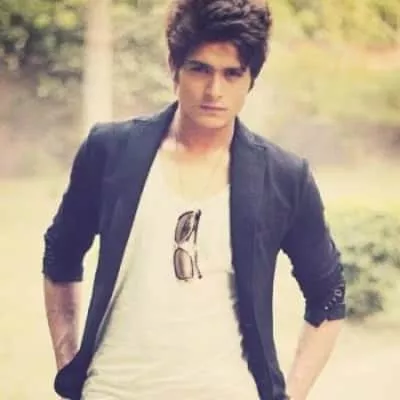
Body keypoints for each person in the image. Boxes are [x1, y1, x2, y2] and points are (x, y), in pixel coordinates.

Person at [43, 1, 346, 399]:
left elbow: (329, 294)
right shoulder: (111, 150)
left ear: (251, 79)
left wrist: (292, 393)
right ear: (174, 67)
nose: (214, 90)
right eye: (200, 69)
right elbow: (61, 254)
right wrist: (68, 364)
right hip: (114, 389)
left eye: (232, 73)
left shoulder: (283, 176)